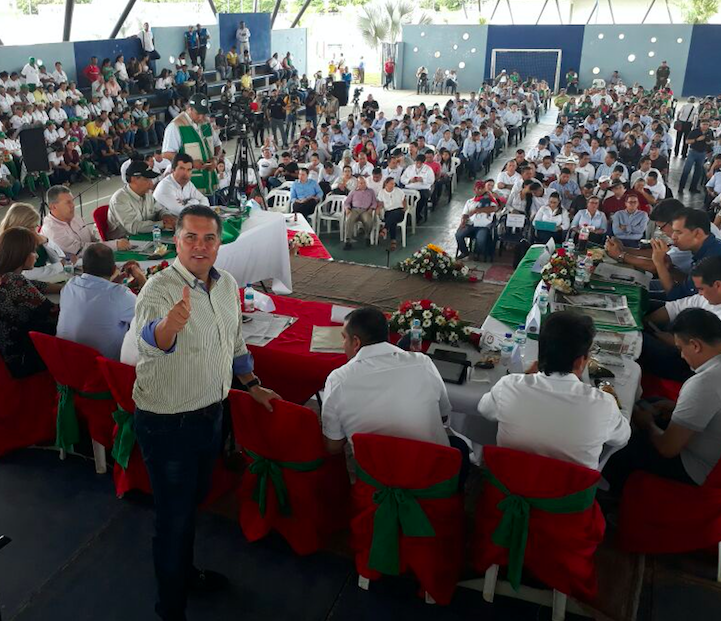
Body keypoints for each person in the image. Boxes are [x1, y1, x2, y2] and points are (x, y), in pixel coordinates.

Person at [133, 205, 279, 621]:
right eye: (191, 237)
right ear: (176, 240)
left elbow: (233, 343)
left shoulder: (226, 283)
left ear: (219, 242)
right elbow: (149, 340)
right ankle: (171, 608)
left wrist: (251, 385)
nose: (200, 246)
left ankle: (184, 573)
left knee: (191, 504)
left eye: (209, 238)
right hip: (169, 423)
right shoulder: (159, 290)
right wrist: (169, 328)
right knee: (174, 519)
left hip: (210, 416)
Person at [321, 307, 470, 479]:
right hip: (431, 477)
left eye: (344, 338)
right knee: (459, 446)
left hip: (378, 480)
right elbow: (443, 416)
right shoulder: (422, 363)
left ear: (356, 342)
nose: (343, 345)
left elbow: (332, 447)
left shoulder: (338, 379)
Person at [477, 311, 630, 470]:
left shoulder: (508, 386)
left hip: (507, 489)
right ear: (579, 362)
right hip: (568, 494)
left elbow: (484, 408)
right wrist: (612, 398)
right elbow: (622, 437)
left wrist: (524, 377)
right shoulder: (603, 405)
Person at [606, 308, 721, 491]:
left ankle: (613, 495)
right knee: (652, 403)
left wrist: (648, 425)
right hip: (710, 446)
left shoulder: (703, 384)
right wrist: (676, 407)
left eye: (680, 349)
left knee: (618, 445)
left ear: (695, 345)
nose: (682, 356)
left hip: (697, 468)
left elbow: (667, 449)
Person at [57, 244, 143, 360]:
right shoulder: (120, 295)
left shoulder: (70, 285)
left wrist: (114, 283)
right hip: (104, 370)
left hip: (65, 366)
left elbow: (99, 294)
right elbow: (150, 314)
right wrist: (142, 279)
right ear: (113, 270)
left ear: (82, 268)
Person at [642, 256, 721, 382]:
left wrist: (654, 334)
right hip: (683, 341)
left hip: (694, 363)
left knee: (641, 343)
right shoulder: (708, 297)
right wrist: (645, 320)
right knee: (643, 305)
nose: (699, 293)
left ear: (718, 285)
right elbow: (674, 307)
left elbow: (696, 347)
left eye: (701, 289)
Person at [0, 227, 59, 378]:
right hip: (20, 358)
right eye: (33, 252)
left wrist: (67, 287)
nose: (36, 256)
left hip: (6, 354)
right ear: (22, 255)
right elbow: (53, 312)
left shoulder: (6, 277)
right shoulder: (15, 281)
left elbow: (38, 285)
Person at [650, 208, 721, 301]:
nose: (673, 237)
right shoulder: (710, 247)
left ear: (697, 233)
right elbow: (689, 284)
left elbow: (677, 297)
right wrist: (670, 268)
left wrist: (659, 263)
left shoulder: (711, 260)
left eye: (678, 232)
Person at [41, 186, 130, 256]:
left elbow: (92, 240)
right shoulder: (52, 229)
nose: (73, 205)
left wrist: (106, 246)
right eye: (68, 202)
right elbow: (79, 250)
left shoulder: (75, 217)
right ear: (53, 207)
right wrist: (114, 245)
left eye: (72, 201)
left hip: (94, 259)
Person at [161, 94, 221, 197]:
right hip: (189, 187)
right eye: (198, 113)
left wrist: (216, 158)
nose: (201, 117)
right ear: (189, 109)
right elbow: (167, 154)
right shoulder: (176, 126)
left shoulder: (206, 124)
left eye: (204, 113)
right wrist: (191, 163)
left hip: (210, 183)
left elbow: (217, 145)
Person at [0, 202, 69, 282]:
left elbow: (59, 258)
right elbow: (24, 274)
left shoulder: (35, 238)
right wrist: (60, 266)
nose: (36, 230)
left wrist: (47, 242)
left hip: (43, 282)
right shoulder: (9, 245)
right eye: (33, 227)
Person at [108, 161, 175, 239]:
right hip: (125, 241)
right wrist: (162, 224)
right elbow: (133, 227)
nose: (151, 184)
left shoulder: (148, 194)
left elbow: (159, 209)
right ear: (134, 179)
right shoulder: (119, 199)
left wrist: (166, 216)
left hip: (147, 236)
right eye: (147, 179)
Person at [456, 180, 496, 260]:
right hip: (470, 224)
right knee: (458, 235)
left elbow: (494, 208)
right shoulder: (470, 201)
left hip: (483, 226)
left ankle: (477, 253)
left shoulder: (489, 200)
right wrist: (463, 222)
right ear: (474, 190)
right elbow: (465, 214)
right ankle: (465, 252)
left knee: (480, 240)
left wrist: (478, 210)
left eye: (482, 188)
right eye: (478, 188)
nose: (480, 190)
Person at [678, 119, 712, 194]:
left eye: (707, 124)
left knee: (698, 171)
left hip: (702, 153)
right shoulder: (695, 131)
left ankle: (693, 187)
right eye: (704, 124)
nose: (705, 126)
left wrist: (708, 142)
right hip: (693, 152)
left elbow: (711, 142)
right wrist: (697, 139)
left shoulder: (709, 132)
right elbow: (687, 141)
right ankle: (681, 187)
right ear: (700, 124)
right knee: (687, 170)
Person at [343, 176, 378, 249]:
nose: (363, 184)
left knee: (368, 221)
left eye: (364, 183)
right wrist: (347, 209)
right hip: (354, 210)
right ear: (358, 184)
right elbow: (346, 202)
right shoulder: (353, 191)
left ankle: (367, 236)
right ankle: (348, 240)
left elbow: (374, 202)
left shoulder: (371, 191)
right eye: (361, 183)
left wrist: (371, 208)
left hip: (365, 210)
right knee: (349, 219)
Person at [400, 155, 434, 223]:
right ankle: (406, 215)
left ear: (423, 162)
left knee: (422, 198)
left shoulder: (428, 169)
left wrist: (422, 180)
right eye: (417, 162)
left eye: (420, 163)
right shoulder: (410, 168)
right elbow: (402, 179)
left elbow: (431, 180)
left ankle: (417, 215)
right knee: (403, 198)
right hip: (410, 188)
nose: (418, 164)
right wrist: (409, 180)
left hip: (422, 189)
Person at [376, 176, 406, 252]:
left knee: (394, 214)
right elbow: (380, 203)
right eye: (391, 183)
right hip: (388, 212)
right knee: (392, 219)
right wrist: (378, 209)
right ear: (386, 184)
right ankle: (393, 241)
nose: (393, 185)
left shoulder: (398, 190)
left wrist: (405, 207)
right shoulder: (382, 192)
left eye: (394, 183)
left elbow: (404, 200)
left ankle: (385, 229)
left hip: (399, 211)